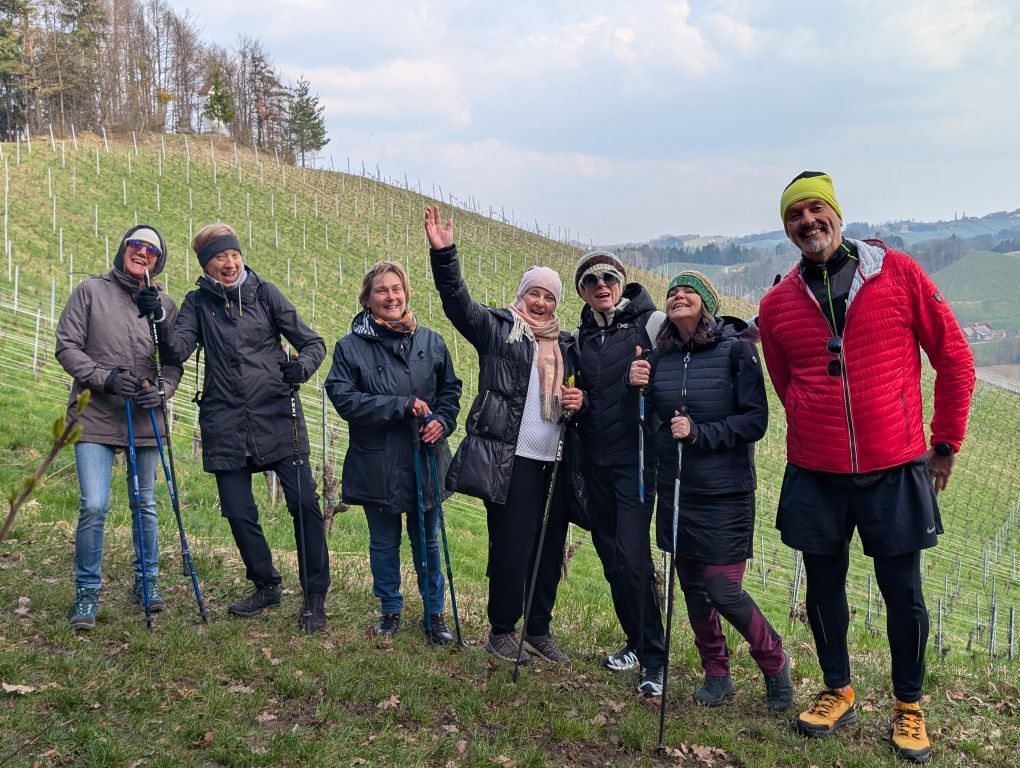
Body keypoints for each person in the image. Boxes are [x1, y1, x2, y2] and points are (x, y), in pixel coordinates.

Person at [758, 172, 976, 762]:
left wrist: (946, 443)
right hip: (816, 471)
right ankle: (838, 688)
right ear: (787, 229)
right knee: (823, 590)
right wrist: (810, 416)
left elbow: (955, 358)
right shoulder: (776, 306)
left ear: (836, 214)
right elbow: (785, 382)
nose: (807, 222)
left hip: (894, 466)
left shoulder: (898, 274)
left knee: (903, 595)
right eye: (794, 215)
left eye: (815, 209)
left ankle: (909, 705)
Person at [135, 222, 331, 632]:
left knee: (304, 505)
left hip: (279, 416)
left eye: (233, 254)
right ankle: (266, 584)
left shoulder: (265, 293)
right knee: (238, 511)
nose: (228, 262)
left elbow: (313, 343)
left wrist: (301, 368)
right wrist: (158, 315)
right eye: (219, 257)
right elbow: (176, 349)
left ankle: (315, 597)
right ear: (206, 266)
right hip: (224, 421)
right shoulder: (196, 304)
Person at [424, 204, 585, 666]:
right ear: (521, 295)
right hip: (509, 461)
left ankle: (538, 629)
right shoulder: (497, 331)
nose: (540, 303)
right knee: (511, 547)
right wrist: (444, 255)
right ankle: (501, 629)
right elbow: (458, 303)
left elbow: (580, 395)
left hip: (554, 463)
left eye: (549, 297)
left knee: (549, 550)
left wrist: (580, 401)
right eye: (533, 294)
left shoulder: (567, 345)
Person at [629, 270, 792, 711]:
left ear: (707, 303)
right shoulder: (660, 357)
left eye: (689, 291)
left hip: (724, 493)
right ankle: (716, 673)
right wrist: (638, 389)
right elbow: (652, 424)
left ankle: (775, 661)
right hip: (677, 489)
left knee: (723, 588)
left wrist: (700, 432)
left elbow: (754, 422)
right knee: (695, 590)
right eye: (672, 292)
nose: (679, 296)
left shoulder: (736, 350)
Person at [324, 260, 462, 642]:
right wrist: (399, 405)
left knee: (428, 541)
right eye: (381, 290)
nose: (391, 296)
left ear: (406, 293)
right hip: (377, 462)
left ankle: (434, 614)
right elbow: (344, 398)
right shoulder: (350, 348)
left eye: (396, 288)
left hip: (426, 456)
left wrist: (443, 421)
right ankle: (390, 609)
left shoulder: (431, 341)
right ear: (367, 299)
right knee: (383, 542)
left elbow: (451, 390)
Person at [56, 225, 182, 629]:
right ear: (123, 248)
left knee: (145, 504)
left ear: (159, 260)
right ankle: (87, 592)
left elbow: (176, 359)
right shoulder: (91, 292)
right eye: (136, 245)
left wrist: (162, 390)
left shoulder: (164, 303)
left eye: (151, 249)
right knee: (94, 504)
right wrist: (103, 377)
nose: (142, 253)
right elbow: (67, 346)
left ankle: (146, 584)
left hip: (145, 416)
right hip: (95, 412)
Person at [571, 249, 668, 695]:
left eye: (608, 277)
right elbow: (589, 395)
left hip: (637, 463)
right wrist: (581, 404)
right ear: (584, 293)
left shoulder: (651, 325)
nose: (601, 285)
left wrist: (652, 381)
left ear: (621, 281)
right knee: (612, 560)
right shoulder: (582, 338)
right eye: (591, 282)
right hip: (595, 464)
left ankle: (654, 658)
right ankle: (634, 641)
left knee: (633, 559)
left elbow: (684, 372)